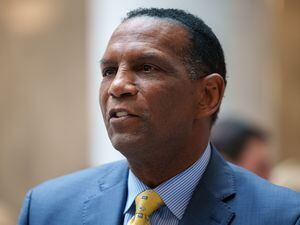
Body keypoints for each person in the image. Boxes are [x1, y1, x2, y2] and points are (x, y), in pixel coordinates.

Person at [18, 8, 300, 225]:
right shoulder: (47, 209)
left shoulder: (283, 216)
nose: (117, 86)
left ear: (208, 96)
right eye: (108, 71)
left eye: (147, 68)